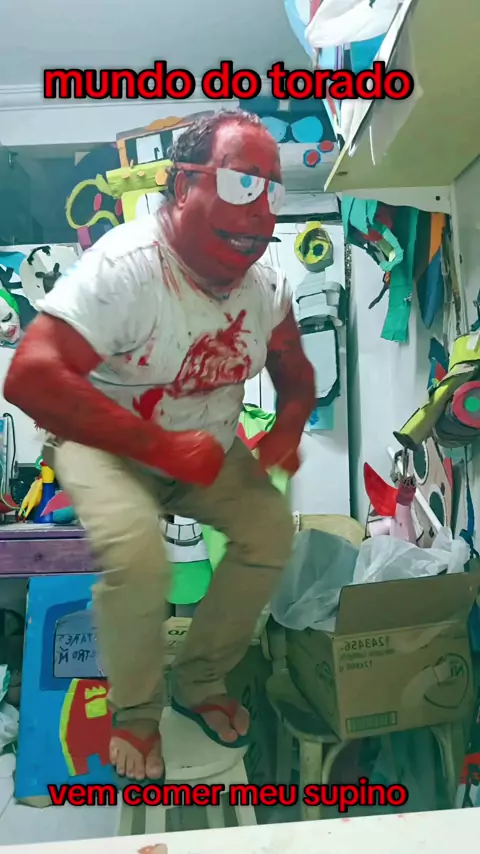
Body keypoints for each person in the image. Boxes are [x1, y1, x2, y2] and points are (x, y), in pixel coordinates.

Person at [4, 109, 316, 783]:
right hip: (104, 443)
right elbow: (28, 376)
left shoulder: (267, 286)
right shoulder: (124, 268)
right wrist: (161, 450)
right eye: (240, 183)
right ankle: (137, 713)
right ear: (181, 187)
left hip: (206, 443)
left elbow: (294, 370)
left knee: (269, 530)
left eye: (271, 189)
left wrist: (289, 427)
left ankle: (198, 680)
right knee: (140, 557)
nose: (261, 209)